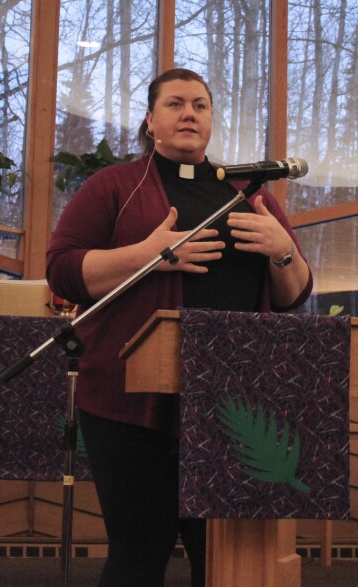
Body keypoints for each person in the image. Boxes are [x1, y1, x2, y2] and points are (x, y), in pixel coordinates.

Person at [46, 68, 312, 587]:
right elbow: (62, 270)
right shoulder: (114, 186)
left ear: (211, 120)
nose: (189, 113)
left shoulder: (250, 193)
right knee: (139, 552)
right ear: (150, 121)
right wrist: (147, 255)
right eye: (174, 104)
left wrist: (282, 251)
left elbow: (295, 295)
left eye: (200, 104)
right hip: (128, 400)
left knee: (224, 560)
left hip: (233, 402)